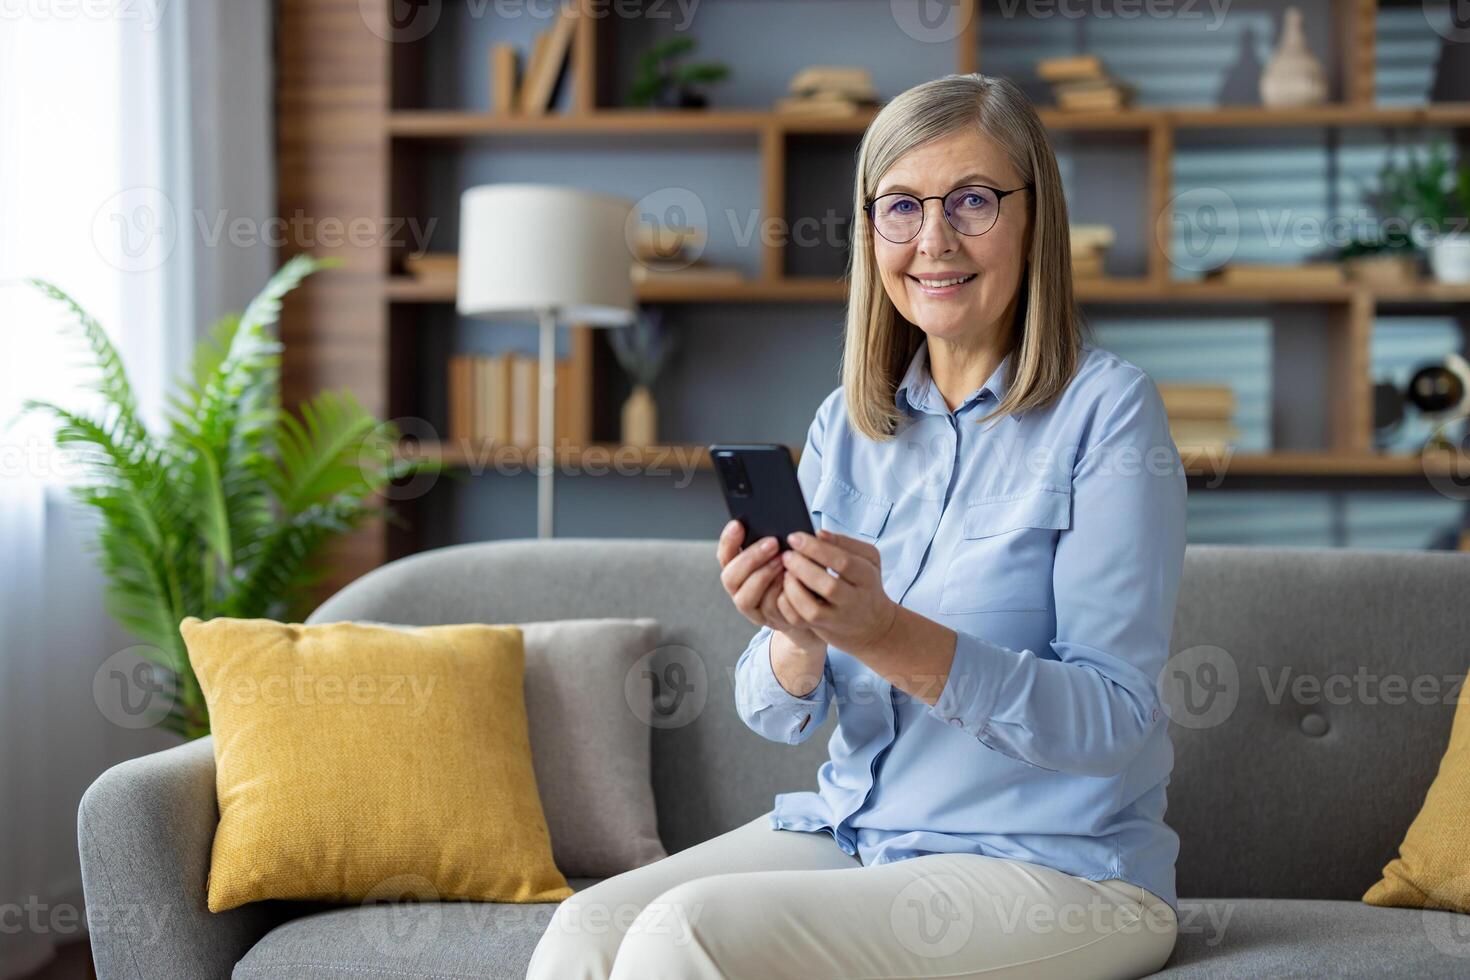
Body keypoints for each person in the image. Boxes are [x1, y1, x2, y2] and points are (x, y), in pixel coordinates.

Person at [525, 71, 1186, 980]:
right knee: (587, 930)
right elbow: (773, 710)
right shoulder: (852, 422)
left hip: (1056, 870)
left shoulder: (1109, 414)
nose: (934, 240)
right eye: (901, 207)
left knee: (687, 936)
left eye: (973, 201)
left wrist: (885, 632)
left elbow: (1111, 719)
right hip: (860, 834)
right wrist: (796, 637)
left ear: (1037, 219)